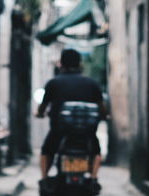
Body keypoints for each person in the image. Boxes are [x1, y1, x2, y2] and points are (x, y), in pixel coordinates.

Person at [36, 48, 107, 186]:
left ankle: (44, 179)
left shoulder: (53, 83)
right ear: (80, 64)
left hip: (59, 131)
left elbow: (42, 107)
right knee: (96, 151)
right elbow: (101, 108)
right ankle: (93, 177)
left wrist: (39, 114)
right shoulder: (92, 84)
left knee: (47, 150)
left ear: (61, 64)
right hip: (86, 132)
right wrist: (104, 116)